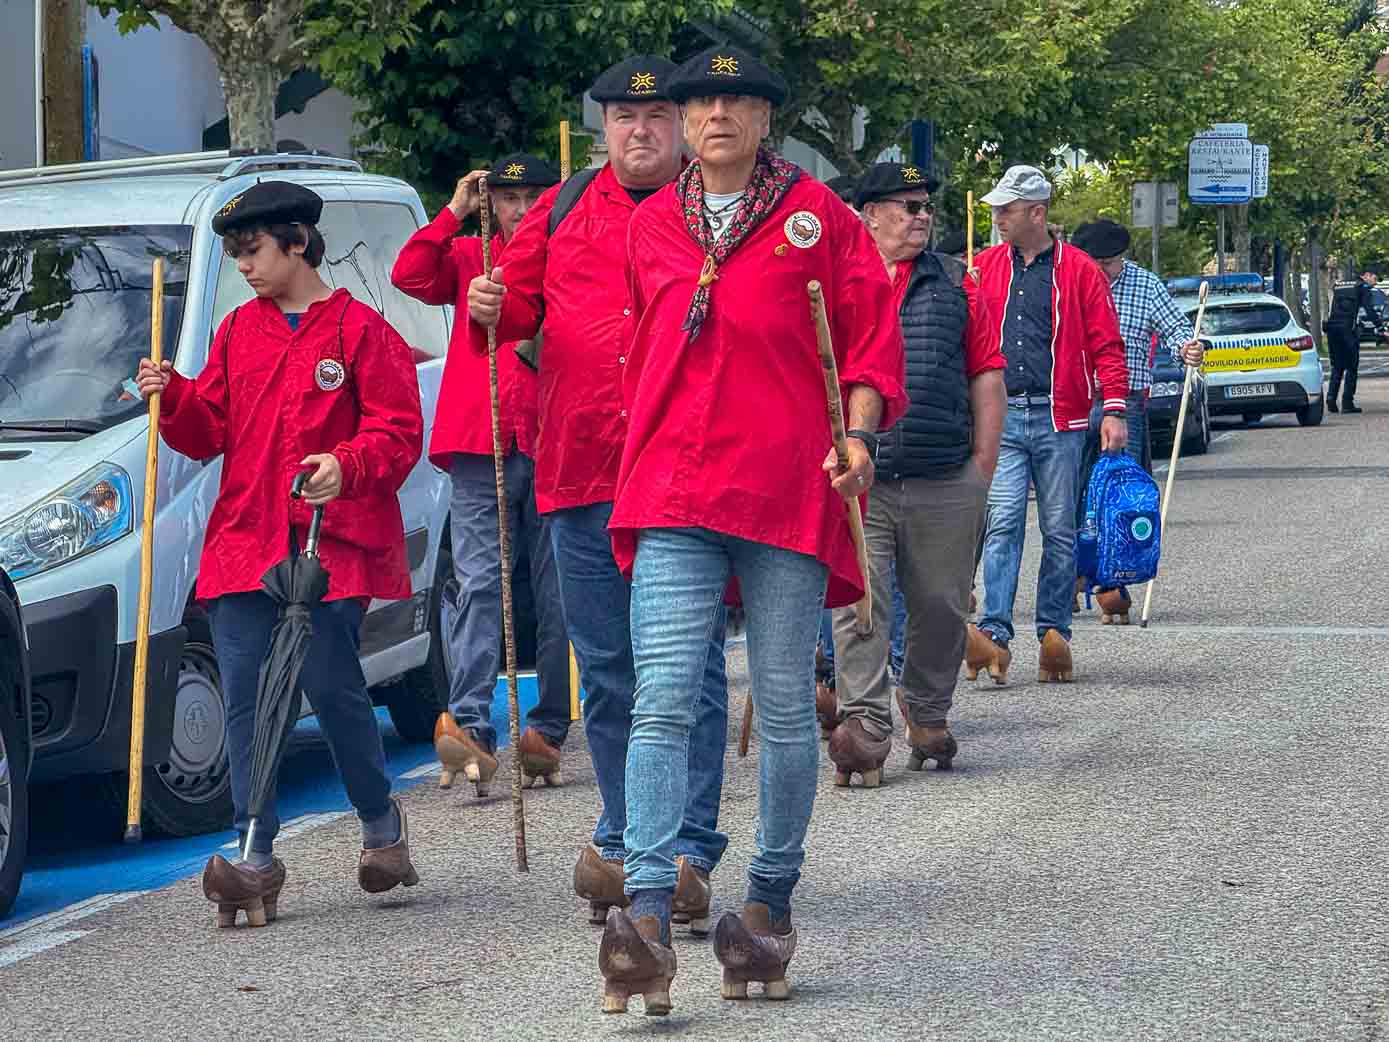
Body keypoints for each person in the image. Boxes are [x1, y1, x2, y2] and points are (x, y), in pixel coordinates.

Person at [595, 46, 906, 1013]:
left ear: (768, 117)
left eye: (737, 99)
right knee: (661, 699)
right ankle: (644, 915)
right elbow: (634, 354)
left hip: (785, 487)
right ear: (684, 119)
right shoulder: (649, 227)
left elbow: (866, 340)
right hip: (673, 487)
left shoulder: (822, 221)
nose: (716, 112)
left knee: (778, 702)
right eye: (701, 100)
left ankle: (768, 903)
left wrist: (856, 436)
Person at [465, 57, 730, 929]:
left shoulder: (715, 208)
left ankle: (687, 846)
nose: (641, 130)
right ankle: (624, 835)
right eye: (624, 116)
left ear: (683, 125)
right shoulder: (564, 205)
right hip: (577, 471)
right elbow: (516, 310)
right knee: (609, 672)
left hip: (680, 473)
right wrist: (488, 303)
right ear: (601, 126)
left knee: (683, 671)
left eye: (657, 115)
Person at [135, 181, 424, 927]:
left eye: (253, 250)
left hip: (330, 545)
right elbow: (208, 433)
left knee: (330, 687)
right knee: (245, 696)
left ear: (298, 240)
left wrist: (346, 464)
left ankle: (379, 820)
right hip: (243, 540)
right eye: (235, 254)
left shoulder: (364, 332)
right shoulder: (236, 330)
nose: (245, 265)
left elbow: (397, 435)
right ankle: (255, 854)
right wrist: (174, 396)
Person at [391, 153, 574, 793]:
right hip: (480, 443)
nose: (520, 209)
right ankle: (472, 726)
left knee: (558, 595)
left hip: (555, 441)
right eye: (507, 197)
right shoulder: (473, 256)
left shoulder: (570, 256)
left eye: (532, 197)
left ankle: (548, 729)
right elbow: (409, 274)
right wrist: (453, 209)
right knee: (477, 584)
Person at [825, 162, 1005, 787]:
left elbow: (987, 374)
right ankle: (866, 726)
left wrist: (981, 468)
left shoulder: (960, 284)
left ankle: (927, 713)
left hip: (944, 474)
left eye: (925, 204)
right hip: (860, 481)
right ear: (869, 214)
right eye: (906, 205)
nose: (921, 214)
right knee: (860, 604)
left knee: (940, 606)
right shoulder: (835, 281)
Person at [972, 166, 1129, 684]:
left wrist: (1114, 409)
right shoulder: (985, 267)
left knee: (1059, 528)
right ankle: (994, 632)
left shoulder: (1079, 269)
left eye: (1006, 210)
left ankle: (1053, 632)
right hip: (1002, 415)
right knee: (1002, 525)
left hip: (1059, 416)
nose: (996, 218)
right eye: (995, 209)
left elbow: (1107, 345)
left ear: (1036, 213)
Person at [1070, 218, 1203, 474]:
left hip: (1125, 400)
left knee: (1125, 482)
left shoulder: (1146, 285)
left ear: (1122, 257)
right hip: (1076, 401)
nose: (1099, 271)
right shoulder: (1067, 283)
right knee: (1075, 483)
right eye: (1093, 263)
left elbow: (1176, 327)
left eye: (1107, 264)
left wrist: (1186, 347)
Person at [1325, 271, 1382, 414]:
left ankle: (1331, 398)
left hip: (1332, 329)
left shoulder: (1340, 285)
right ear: (1367, 275)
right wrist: (1380, 326)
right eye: (1375, 279)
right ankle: (1347, 403)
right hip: (1347, 331)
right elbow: (1369, 310)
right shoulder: (1362, 287)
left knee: (1337, 366)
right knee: (1351, 366)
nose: (1375, 283)